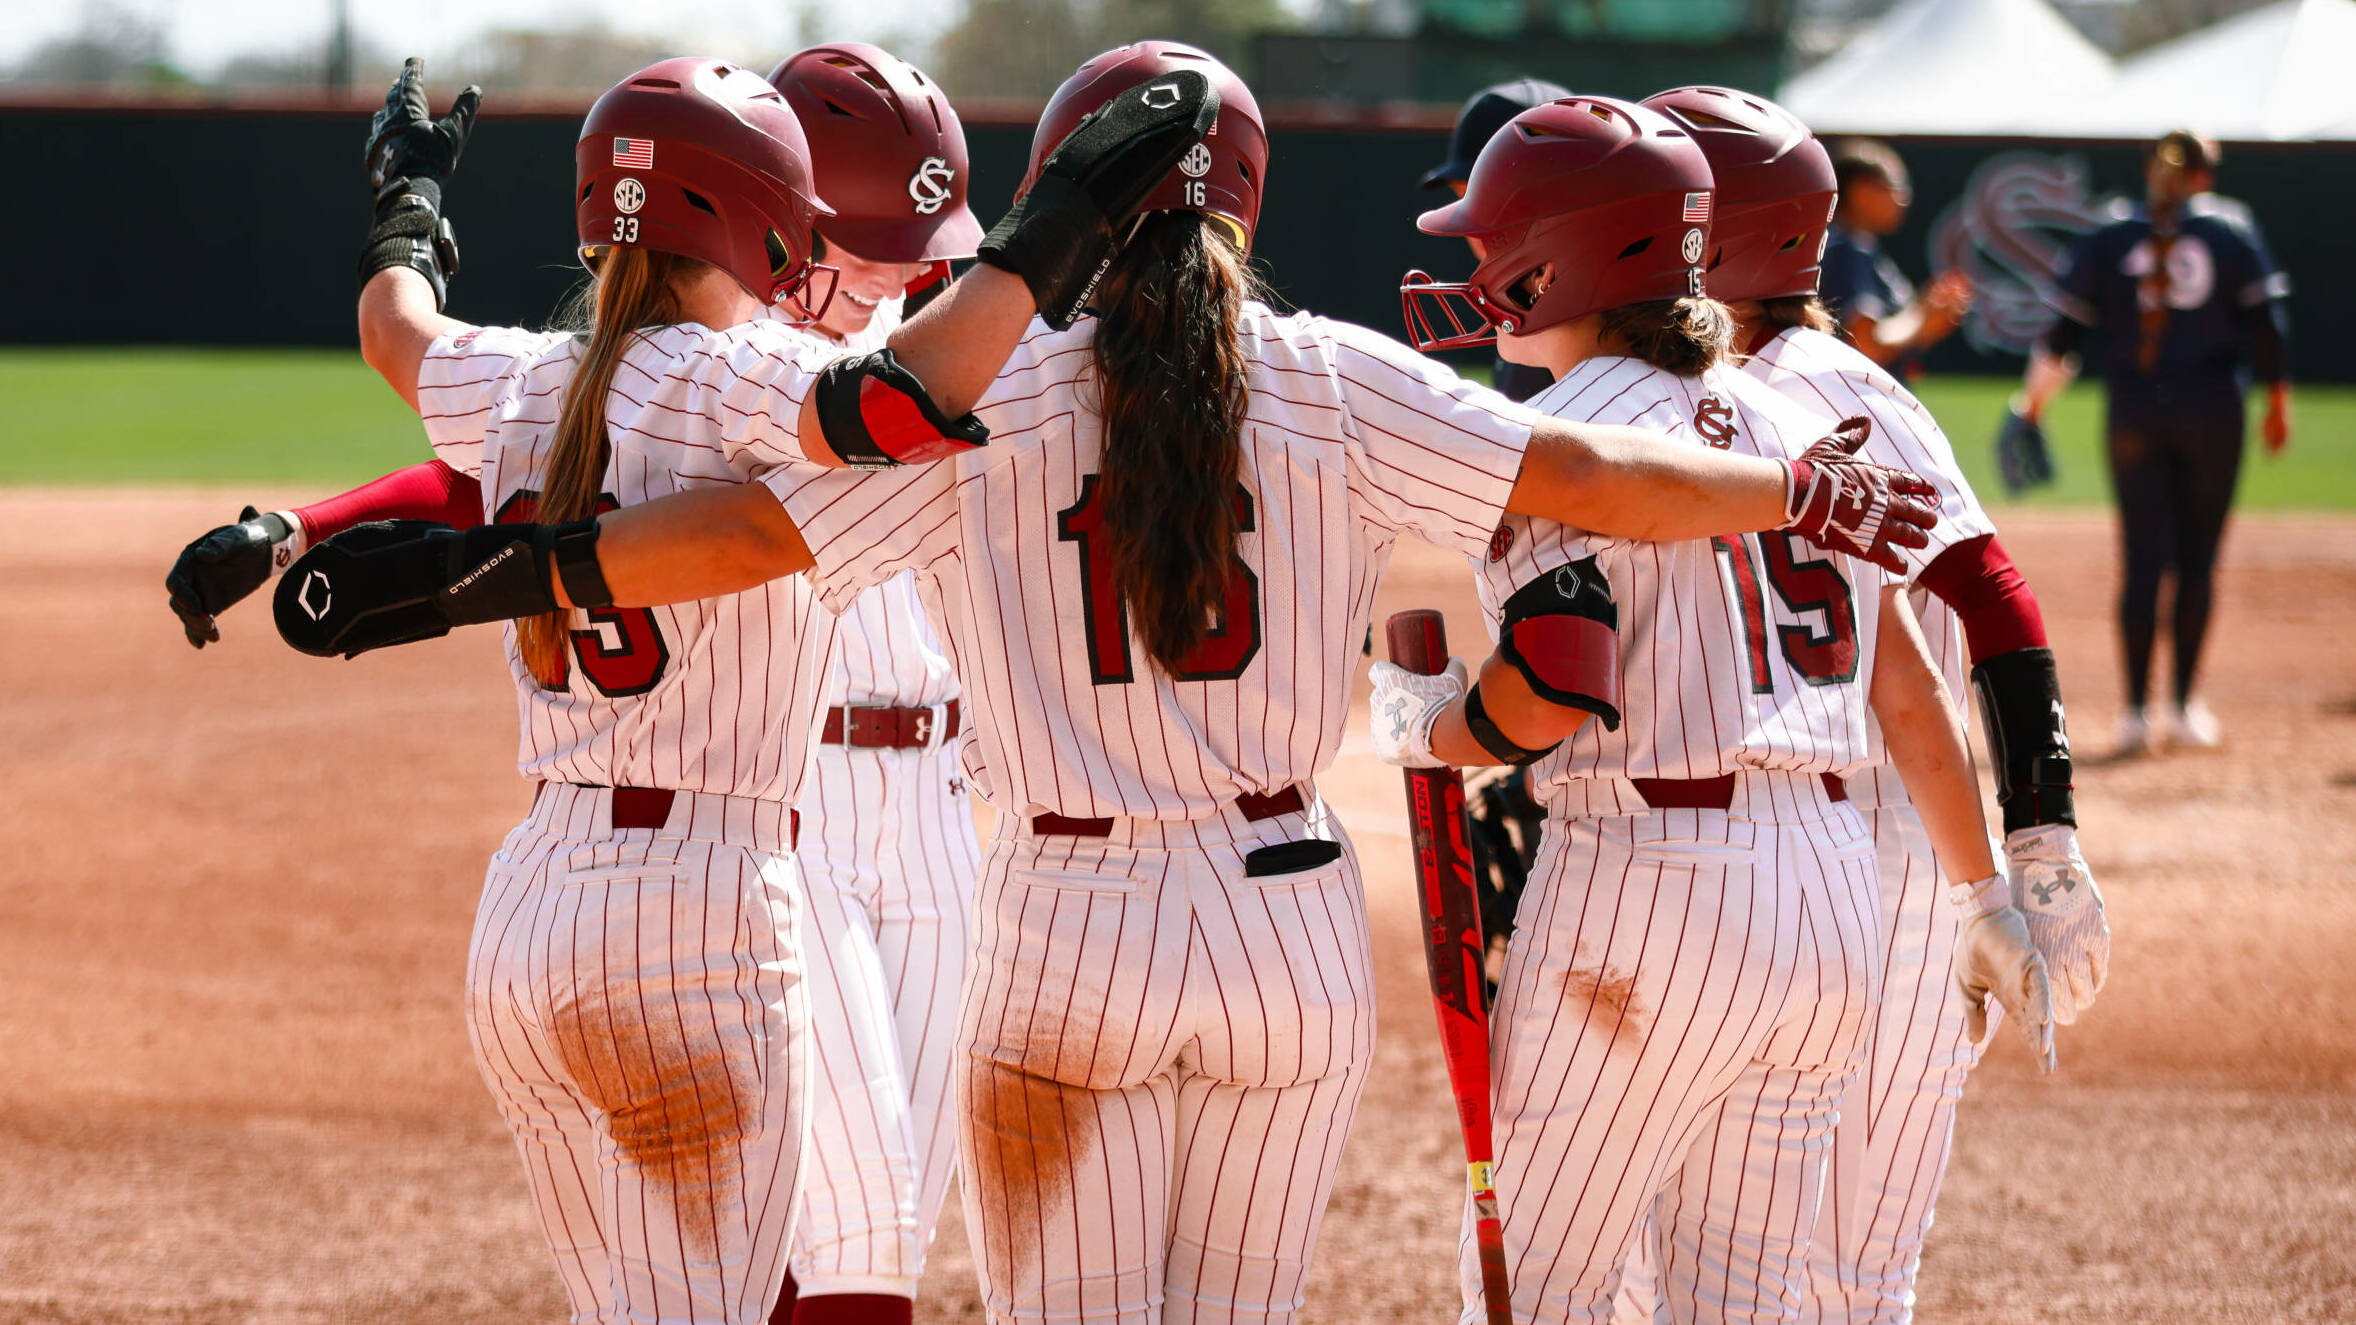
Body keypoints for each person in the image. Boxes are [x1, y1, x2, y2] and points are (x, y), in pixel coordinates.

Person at [274, 43, 1940, 1325]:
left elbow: (743, 537)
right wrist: (1798, 487)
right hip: (1289, 917)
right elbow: (1597, 477)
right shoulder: (1339, 375)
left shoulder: (990, 394)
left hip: (1060, 918)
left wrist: (494, 578)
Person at [233, 52, 1221, 1325]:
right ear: (756, 214)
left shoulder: (523, 378)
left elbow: (393, 327)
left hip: (532, 905)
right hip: (696, 909)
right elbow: (895, 400)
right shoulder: (727, 370)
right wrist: (1062, 219)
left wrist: (408, 207)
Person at [1375, 93, 2057, 1325]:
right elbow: (1907, 695)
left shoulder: (1558, 431)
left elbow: (1556, 677)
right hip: (1828, 896)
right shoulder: (1795, 424)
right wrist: (1987, 893)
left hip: (1648, 884)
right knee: (1745, 1297)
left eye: (1492, 238)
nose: (1473, 263)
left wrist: (1435, 728)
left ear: (1570, 253)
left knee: (1542, 1287)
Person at [1599, 84, 2110, 1325]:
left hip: (1894, 854)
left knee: (1843, 1270)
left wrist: (2037, 835)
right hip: (1791, 851)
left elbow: (1989, 590)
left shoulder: (1832, 386)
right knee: (1703, 1257)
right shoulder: (1702, 384)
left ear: (1712, 235)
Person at [2016, 128, 2292, 755]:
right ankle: (2184, 708)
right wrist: (2278, 403)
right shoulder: (2231, 229)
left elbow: (2062, 337)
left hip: (2135, 414)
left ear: (2148, 168)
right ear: (2206, 176)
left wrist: (2031, 408)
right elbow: (2268, 327)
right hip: (2213, 413)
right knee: (2197, 560)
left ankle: (2136, 713)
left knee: (2142, 561)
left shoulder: (2110, 233)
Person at [1419, 76, 1574, 403]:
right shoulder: (1525, 307)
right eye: (1460, 195)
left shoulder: (1589, 330)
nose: (1469, 226)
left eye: (1489, 196)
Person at [1819, 139, 1972, 372]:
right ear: (1862, 191)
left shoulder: (1859, 247)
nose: (1904, 198)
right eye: (1895, 186)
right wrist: (1922, 319)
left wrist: (1926, 311)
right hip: (1859, 401)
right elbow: (1866, 345)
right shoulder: (1848, 251)